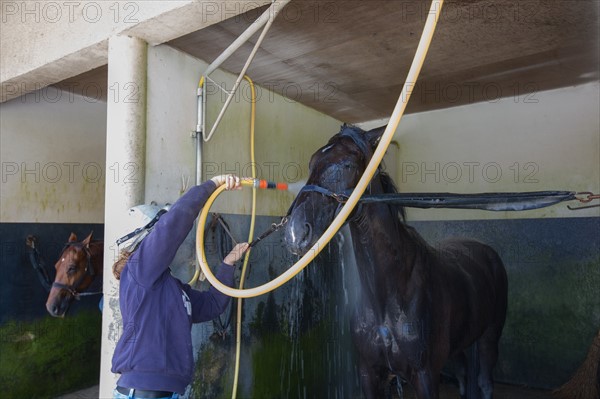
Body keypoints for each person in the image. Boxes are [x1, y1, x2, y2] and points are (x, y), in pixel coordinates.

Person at [111, 175, 249, 399]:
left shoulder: (169, 287)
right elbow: (171, 227)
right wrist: (213, 184)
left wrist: (227, 264)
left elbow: (212, 305)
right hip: (144, 392)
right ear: (145, 240)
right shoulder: (140, 269)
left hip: (167, 391)